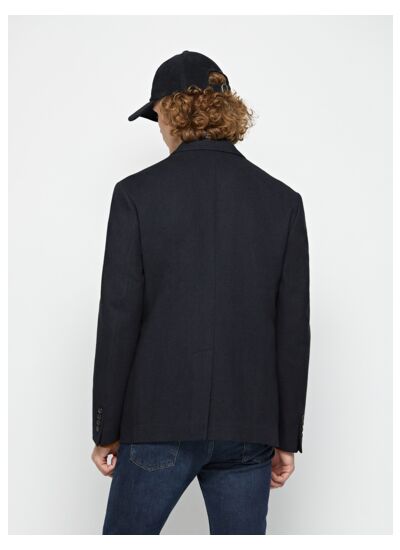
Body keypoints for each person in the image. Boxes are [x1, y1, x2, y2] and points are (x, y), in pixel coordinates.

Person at [91, 50, 311, 535]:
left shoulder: (135, 195)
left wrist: (106, 429)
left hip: (157, 421)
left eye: (157, 117)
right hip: (249, 426)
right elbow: (293, 330)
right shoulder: (283, 202)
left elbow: (119, 316)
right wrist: (285, 436)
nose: (160, 130)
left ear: (173, 112)